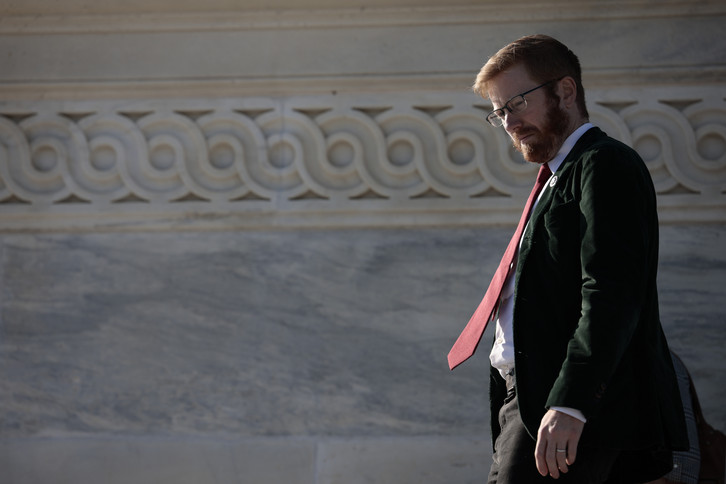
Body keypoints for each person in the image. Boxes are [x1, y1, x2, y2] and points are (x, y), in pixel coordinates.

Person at [447, 34, 688, 483]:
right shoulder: (560, 176)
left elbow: (611, 291)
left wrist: (570, 402)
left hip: (566, 403)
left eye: (517, 102)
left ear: (566, 91)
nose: (510, 123)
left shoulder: (603, 163)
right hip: (539, 399)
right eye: (499, 113)